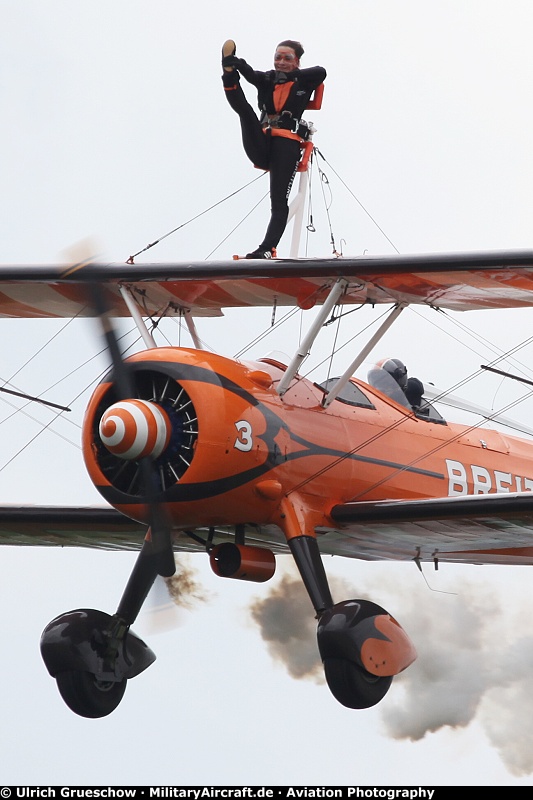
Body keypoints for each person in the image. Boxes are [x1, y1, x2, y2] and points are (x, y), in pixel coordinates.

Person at [221, 39, 326, 259]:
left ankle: (267, 248)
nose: (281, 62)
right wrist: (237, 64)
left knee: (278, 201)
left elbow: (321, 71)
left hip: (286, 144)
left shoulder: (304, 81)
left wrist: (289, 76)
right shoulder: (267, 79)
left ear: (297, 62)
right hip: (262, 141)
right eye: (278, 57)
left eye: (287, 58)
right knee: (245, 111)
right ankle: (228, 75)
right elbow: (252, 75)